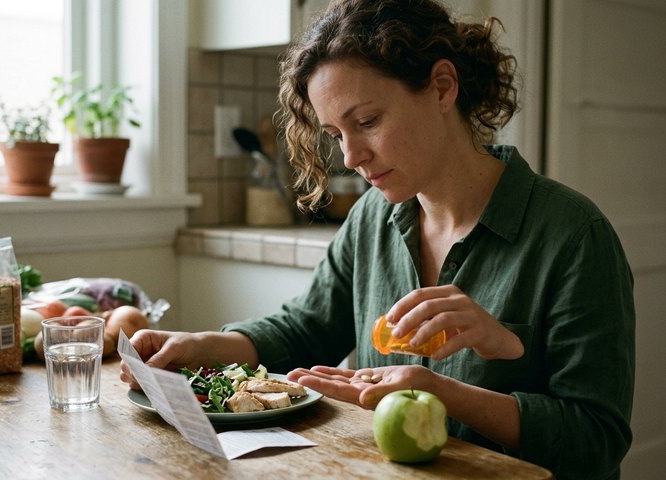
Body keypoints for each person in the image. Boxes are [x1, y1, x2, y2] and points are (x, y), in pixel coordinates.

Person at [120, 1, 635, 478]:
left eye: (366, 121)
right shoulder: (373, 216)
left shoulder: (573, 236)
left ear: (441, 87)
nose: (349, 157)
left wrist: (442, 393)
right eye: (336, 134)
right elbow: (309, 326)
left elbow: (596, 439)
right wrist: (206, 346)